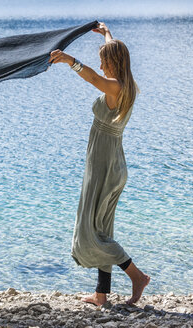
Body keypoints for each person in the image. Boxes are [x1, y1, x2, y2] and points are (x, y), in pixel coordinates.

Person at [49, 22, 150, 306]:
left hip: (104, 167)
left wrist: (70, 60)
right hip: (110, 164)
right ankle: (101, 295)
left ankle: (137, 276)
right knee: (103, 230)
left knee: (93, 234)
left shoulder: (115, 86)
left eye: (104, 60)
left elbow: (93, 78)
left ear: (113, 63)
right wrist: (106, 33)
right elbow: (113, 51)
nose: (100, 64)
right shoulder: (127, 83)